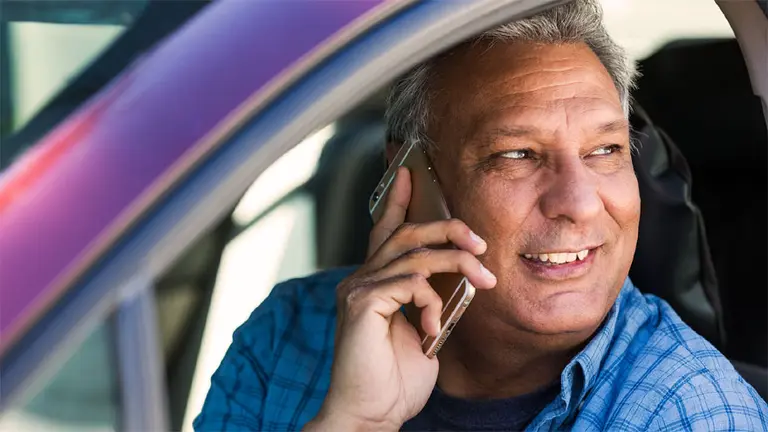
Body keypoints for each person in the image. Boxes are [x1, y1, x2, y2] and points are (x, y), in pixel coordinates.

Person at [194, 1, 768, 430]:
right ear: (410, 178)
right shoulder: (286, 332)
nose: (579, 201)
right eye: (515, 155)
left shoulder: (691, 412)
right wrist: (353, 422)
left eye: (605, 151)